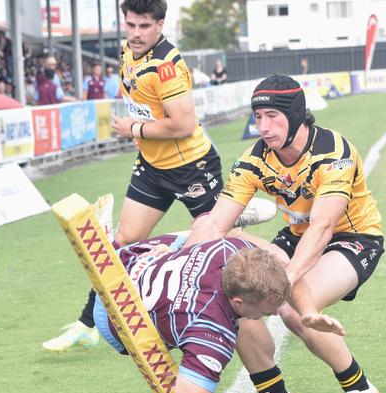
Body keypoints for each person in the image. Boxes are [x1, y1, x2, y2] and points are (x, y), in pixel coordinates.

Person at [43, 0, 273, 352]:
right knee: (121, 242)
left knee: (225, 244)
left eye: (144, 26)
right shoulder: (127, 52)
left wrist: (133, 127)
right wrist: (140, 131)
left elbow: (182, 125)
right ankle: (87, 324)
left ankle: (277, 279)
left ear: (160, 25)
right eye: (131, 25)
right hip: (152, 168)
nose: (136, 33)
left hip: (191, 167)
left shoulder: (166, 67)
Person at [186, 74, 385, 393]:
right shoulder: (253, 160)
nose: (261, 127)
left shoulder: (334, 154)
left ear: (295, 116)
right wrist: (184, 273)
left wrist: (283, 282)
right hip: (295, 236)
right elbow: (215, 224)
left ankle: (360, 390)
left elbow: (323, 228)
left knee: (293, 311)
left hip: (352, 237)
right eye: (257, 117)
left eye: (271, 117)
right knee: (241, 297)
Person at [91, 232, 342, 393]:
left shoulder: (232, 248)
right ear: (238, 302)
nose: (276, 314)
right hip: (115, 321)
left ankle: (175, 247)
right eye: (267, 310)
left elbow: (279, 263)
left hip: (127, 263)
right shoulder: (211, 333)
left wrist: (308, 311)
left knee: (203, 229)